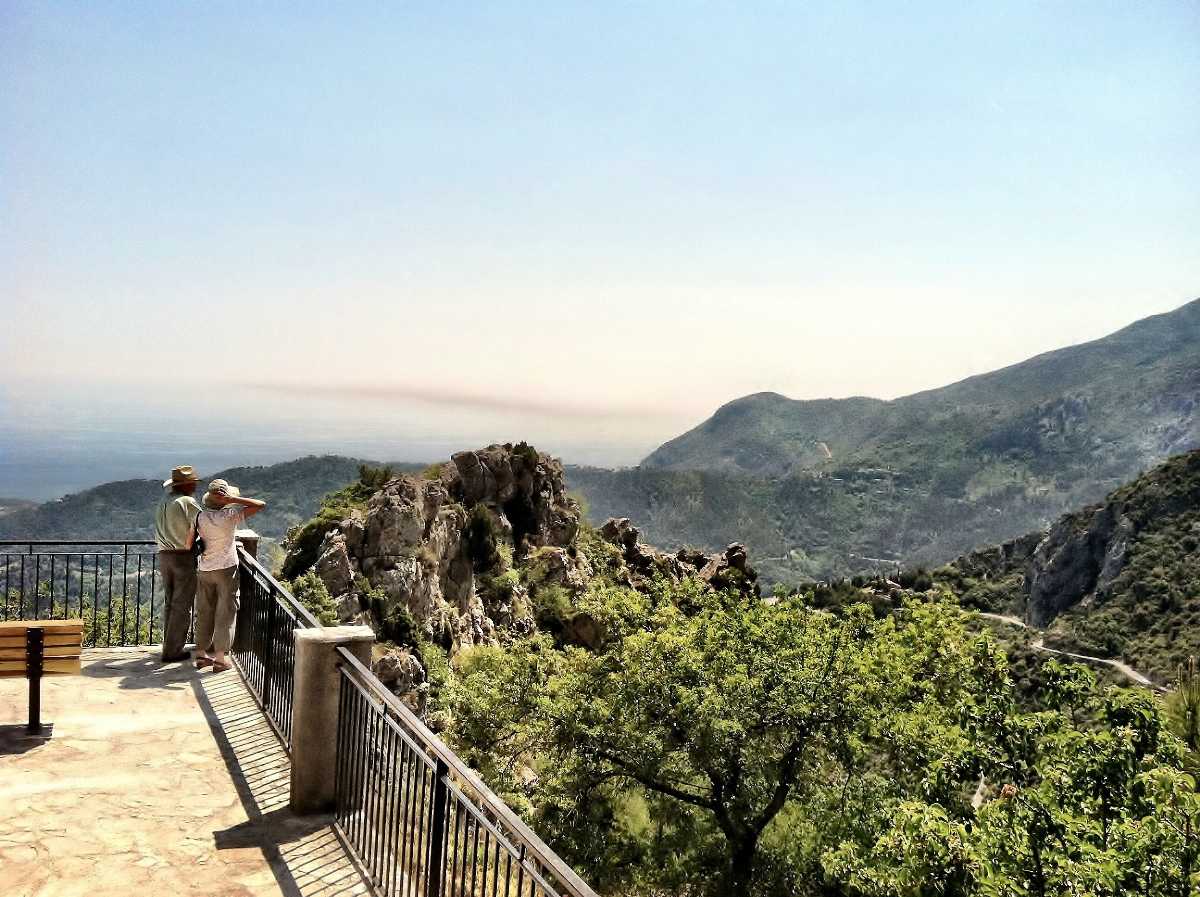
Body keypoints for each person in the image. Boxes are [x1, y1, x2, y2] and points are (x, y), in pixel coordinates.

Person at [186, 479, 265, 671]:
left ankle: (202, 656)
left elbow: (188, 545)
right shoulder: (231, 515)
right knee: (225, 613)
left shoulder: (199, 517)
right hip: (227, 570)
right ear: (225, 499)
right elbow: (260, 504)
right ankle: (220, 660)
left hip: (204, 570)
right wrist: (232, 498)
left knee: (204, 613)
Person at [155, 465, 203, 663]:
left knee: (170, 602)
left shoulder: (164, 501)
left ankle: (169, 645)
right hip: (183, 557)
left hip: (164, 556)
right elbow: (204, 522)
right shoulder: (187, 502)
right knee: (182, 605)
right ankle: (173, 651)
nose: (194, 486)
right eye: (192, 483)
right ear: (186, 484)